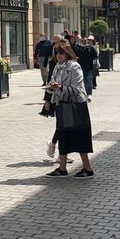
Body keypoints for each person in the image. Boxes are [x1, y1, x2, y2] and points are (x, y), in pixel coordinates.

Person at [43, 45, 94, 179]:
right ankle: (62, 168)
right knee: (63, 135)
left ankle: (87, 169)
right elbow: (52, 84)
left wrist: (59, 87)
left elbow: (77, 89)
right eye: (57, 53)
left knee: (80, 136)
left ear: (68, 54)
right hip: (62, 105)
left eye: (62, 53)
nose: (58, 55)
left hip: (76, 105)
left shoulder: (74, 66)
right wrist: (50, 89)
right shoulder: (57, 67)